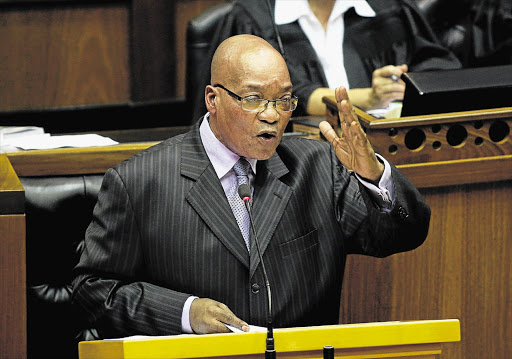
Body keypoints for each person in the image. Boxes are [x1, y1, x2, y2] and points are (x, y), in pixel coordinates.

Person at [72, 34, 430, 338]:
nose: (272, 115)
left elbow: (401, 235)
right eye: (254, 99)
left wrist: (373, 176)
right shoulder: (140, 182)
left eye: (284, 100)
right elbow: (93, 292)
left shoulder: (319, 167)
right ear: (213, 99)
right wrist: (185, 313)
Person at [191, 0, 461, 120]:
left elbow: (439, 67)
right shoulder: (254, 19)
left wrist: (407, 84)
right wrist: (370, 97)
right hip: (292, 167)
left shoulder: (389, 8)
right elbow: (286, 97)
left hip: (388, 154)